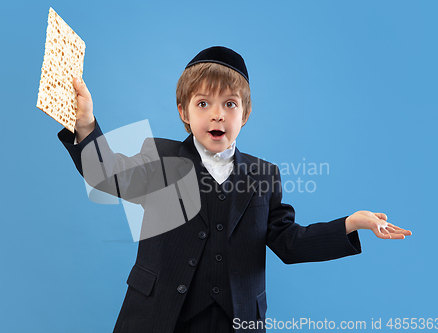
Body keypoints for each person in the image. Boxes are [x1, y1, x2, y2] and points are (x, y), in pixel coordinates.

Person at [57, 46, 411, 333]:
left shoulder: (264, 175)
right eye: (203, 104)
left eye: (230, 104)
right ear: (183, 111)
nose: (217, 115)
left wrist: (352, 222)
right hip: (160, 315)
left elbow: (290, 242)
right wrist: (86, 123)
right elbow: (107, 175)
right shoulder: (159, 156)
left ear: (245, 113)